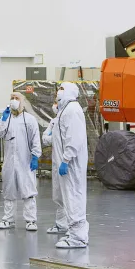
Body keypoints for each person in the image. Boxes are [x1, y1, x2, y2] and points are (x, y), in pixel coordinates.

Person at [0, 92, 41, 231]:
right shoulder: (5, 119)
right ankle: (8, 219)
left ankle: (31, 221)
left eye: (16, 98)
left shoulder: (30, 120)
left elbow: (36, 140)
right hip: (9, 162)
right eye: (12, 98)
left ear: (23, 102)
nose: (14, 100)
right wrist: (3, 119)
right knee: (9, 191)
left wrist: (35, 156)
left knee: (28, 191)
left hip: (26, 162)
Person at [53, 82, 90, 248]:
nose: (58, 92)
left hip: (72, 163)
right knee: (70, 197)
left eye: (61, 89)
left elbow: (74, 137)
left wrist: (66, 159)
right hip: (69, 162)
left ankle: (78, 238)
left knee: (74, 196)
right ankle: (74, 233)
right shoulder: (65, 110)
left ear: (69, 92)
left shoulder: (72, 110)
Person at [43, 100, 67, 235]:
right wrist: (52, 135)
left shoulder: (68, 119)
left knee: (67, 195)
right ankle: (61, 225)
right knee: (58, 195)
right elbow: (45, 139)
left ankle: (70, 226)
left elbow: (67, 140)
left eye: (57, 102)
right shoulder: (54, 121)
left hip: (66, 162)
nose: (55, 105)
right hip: (57, 162)